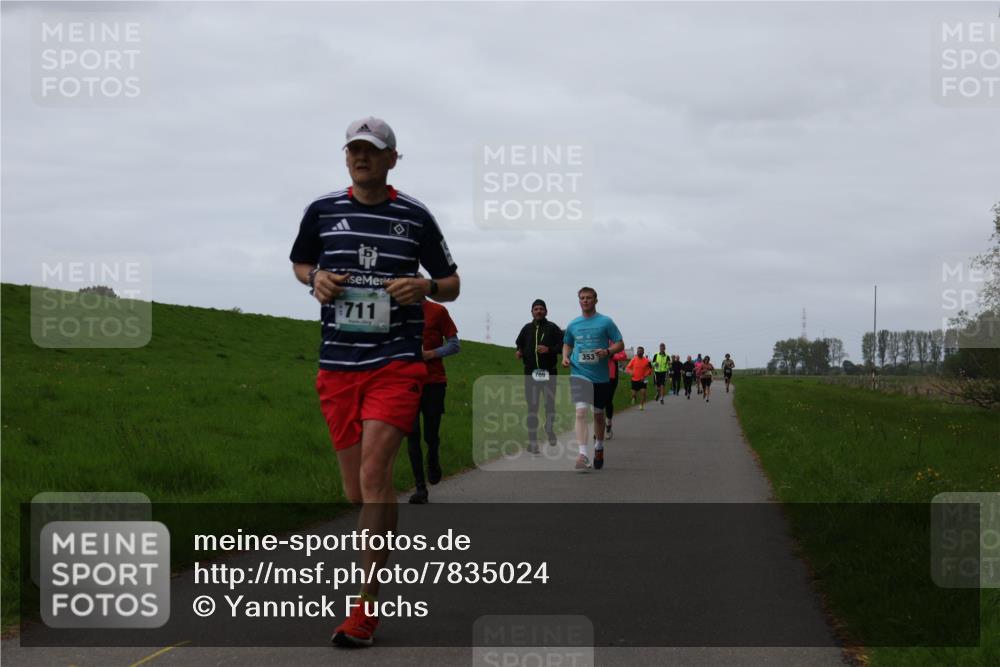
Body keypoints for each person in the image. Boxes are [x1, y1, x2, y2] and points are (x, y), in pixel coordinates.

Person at [290, 116, 460, 648]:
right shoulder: (322, 211)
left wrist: (424, 284)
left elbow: (452, 284)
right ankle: (376, 543)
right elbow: (299, 263)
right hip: (338, 366)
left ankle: (363, 607)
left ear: (392, 159)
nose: (360, 157)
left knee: (374, 470)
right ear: (346, 158)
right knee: (355, 488)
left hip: (396, 361)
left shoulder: (414, 216)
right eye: (353, 150)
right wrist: (313, 278)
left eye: (372, 150)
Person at [562, 287, 624, 471]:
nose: (585, 300)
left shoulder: (606, 322)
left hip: (600, 377)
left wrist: (607, 351)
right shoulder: (574, 324)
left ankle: (599, 447)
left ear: (596, 300)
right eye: (582, 298)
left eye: (589, 298)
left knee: (598, 415)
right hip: (578, 373)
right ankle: (583, 454)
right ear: (579, 301)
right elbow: (568, 343)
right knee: (580, 413)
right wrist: (565, 356)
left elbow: (620, 343)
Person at [407, 291, 460, 504]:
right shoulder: (395, 312)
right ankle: (420, 488)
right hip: (406, 384)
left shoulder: (438, 311)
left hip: (434, 381)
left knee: (430, 434)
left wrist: (430, 354)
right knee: (411, 434)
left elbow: (455, 344)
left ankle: (433, 457)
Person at [515, 299, 563, 454]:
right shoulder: (526, 328)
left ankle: (549, 430)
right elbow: (519, 343)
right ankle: (533, 441)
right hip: (531, 374)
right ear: (532, 312)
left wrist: (549, 350)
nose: (538, 311)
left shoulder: (553, 328)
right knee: (532, 407)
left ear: (546, 312)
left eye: (541, 309)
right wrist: (519, 351)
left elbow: (562, 346)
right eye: (536, 309)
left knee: (549, 406)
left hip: (549, 373)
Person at [604, 348, 627, 439]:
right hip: (596, 374)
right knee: (597, 403)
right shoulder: (595, 339)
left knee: (608, 401)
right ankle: (598, 428)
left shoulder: (614, 342)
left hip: (611, 376)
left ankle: (608, 425)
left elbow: (623, 355)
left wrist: (612, 355)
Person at [626, 346, 653, 411]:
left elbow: (650, 369)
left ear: (643, 352)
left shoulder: (647, 361)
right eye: (638, 351)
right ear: (637, 352)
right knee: (633, 394)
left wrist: (645, 375)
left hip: (643, 380)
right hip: (634, 379)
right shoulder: (633, 359)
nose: (639, 352)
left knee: (643, 393)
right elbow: (628, 368)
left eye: (641, 351)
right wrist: (630, 373)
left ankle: (641, 405)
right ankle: (634, 398)